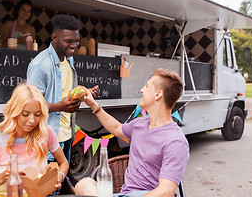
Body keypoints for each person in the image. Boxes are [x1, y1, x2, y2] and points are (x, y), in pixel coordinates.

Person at [75, 68, 189, 197]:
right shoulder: (140, 124)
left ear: (158, 94)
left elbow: (165, 192)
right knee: (84, 184)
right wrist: (93, 104)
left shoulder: (175, 141)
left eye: (146, 86)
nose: (141, 90)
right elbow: (116, 128)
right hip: (126, 194)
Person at [0, 84, 69, 197]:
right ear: (14, 112)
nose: (32, 120)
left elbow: (64, 163)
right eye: (25, 114)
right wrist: (3, 177)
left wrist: (59, 177)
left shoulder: (45, 133)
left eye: (37, 114)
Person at [26, 14, 98, 164]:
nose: (74, 46)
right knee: (47, 186)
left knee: (60, 183)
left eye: (76, 41)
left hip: (67, 135)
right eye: (68, 41)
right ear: (54, 38)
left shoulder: (69, 58)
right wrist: (60, 106)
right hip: (46, 140)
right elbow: (28, 106)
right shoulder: (41, 65)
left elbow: (66, 91)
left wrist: (84, 93)